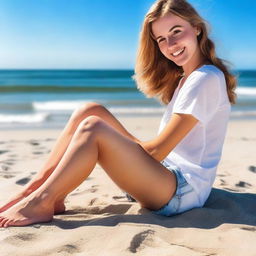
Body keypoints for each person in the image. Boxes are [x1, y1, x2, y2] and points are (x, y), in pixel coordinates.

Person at [0, 0, 236, 227]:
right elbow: (158, 154)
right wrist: (121, 151)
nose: (171, 44)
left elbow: (156, 151)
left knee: (93, 127)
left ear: (196, 28)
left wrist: (114, 148)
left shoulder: (205, 79)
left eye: (176, 31)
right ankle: (37, 188)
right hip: (163, 176)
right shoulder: (188, 78)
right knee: (90, 110)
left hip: (182, 192)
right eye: (162, 39)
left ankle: (41, 201)